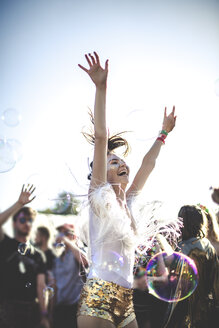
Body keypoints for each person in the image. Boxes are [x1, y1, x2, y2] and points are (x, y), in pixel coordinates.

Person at [77, 51, 177, 328]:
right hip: (98, 298)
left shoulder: (129, 201)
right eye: (113, 162)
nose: (121, 163)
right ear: (101, 172)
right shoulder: (99, 198)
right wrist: (101, 87)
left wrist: (163, 133)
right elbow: (100, 138)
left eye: (121, 160)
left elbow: (148, 164)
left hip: (126, 300)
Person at [0, 184, 50, 328]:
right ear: (14, 223)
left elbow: (41, 286)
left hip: (31, 310)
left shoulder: (38, 255)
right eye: (22, 219)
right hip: (6, 308)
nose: (27, 223)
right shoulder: (6, 243)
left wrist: (44, 314)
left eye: (30, 220)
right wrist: (19, 204)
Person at [165, 205, 219, 328]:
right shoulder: (208, 246)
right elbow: (216, 280)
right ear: (200, 222)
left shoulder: (179, 248)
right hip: (205, 309)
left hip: (182, 310)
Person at [52, 223, 88, 328]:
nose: (62, 235)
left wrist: (67, 242)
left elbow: (85, 261)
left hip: (75, 307)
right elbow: (54, 284)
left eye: (66, 232)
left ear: (74, 236)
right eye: (61, 232)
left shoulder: (78, 252)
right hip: (59, 307)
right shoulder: (57, 257)